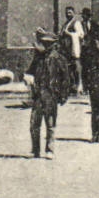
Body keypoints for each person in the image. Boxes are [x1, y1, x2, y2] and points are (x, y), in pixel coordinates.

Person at [26, 27, 73, 158]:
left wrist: (63, 95)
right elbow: (30, 71)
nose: (46, 46)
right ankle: (35, 150)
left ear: (54, 44)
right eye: (44, 43)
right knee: (34, 124)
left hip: (51, 94)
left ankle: (49, 150)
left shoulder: (59, 59)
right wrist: (27, 77)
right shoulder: (38, 58)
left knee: (50, 124)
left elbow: (66, 78)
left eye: (49, 43)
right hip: (38, 94)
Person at [62, 7, 86, 94]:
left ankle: (79, 85)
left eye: (70, 12)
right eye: (67, 13)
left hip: (74, 49)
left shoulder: (76, 23)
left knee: (76, 67)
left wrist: (69, 34)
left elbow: (81, 35)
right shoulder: (66, 23)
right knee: (69, 68)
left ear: (74, 13)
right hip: (67, 49)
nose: (68, 14)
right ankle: (72, 86)